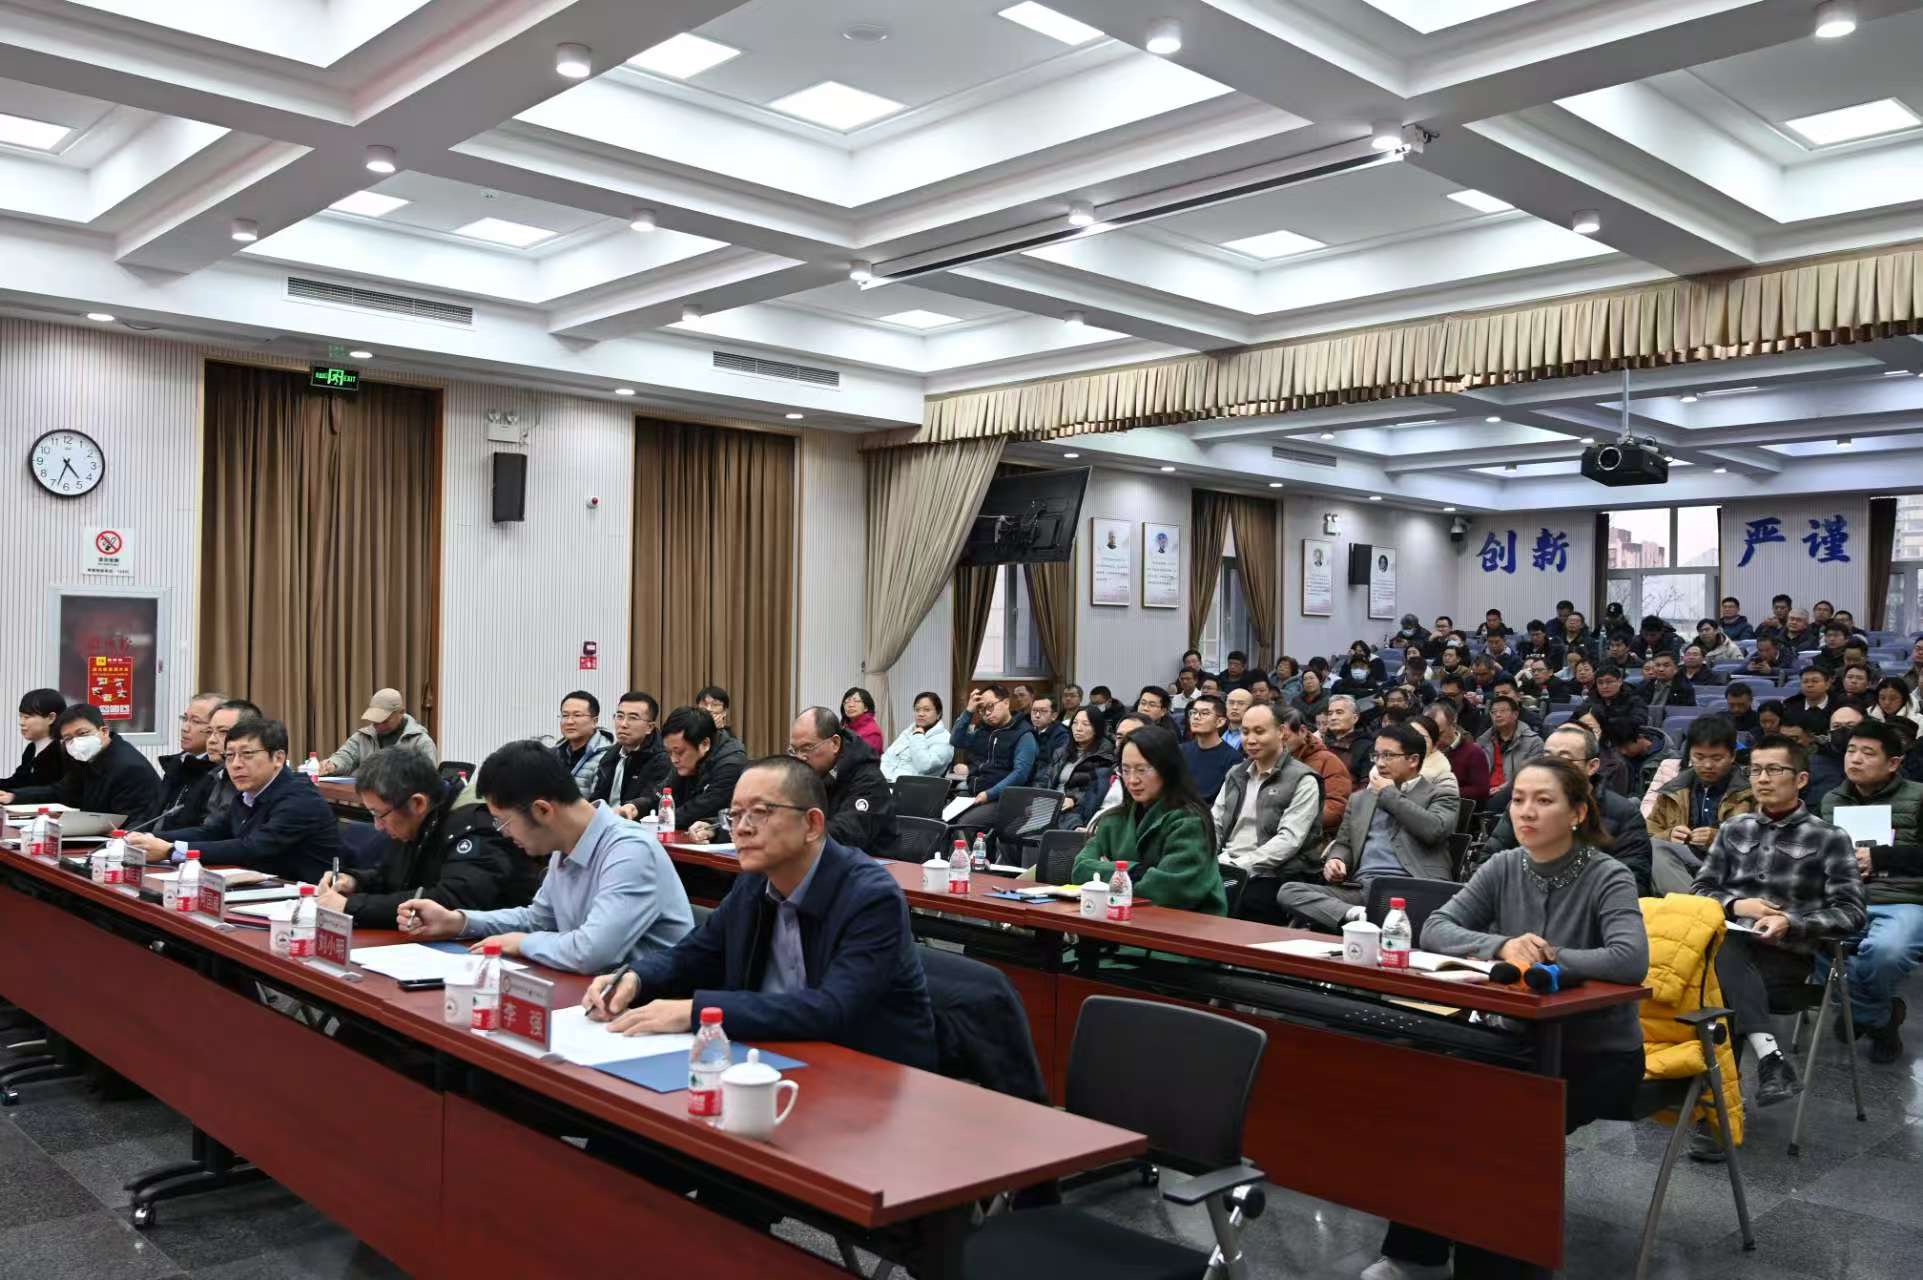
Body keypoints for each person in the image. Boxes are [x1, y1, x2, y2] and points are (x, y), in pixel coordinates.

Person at [1365, 755, 1648, 1280]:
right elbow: (1437, 927)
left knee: (1497, 1131)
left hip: (1597, 1055)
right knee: (1433, 1107)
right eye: (1518, 800)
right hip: (1513, 1041)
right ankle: (1417, 1256)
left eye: (1544, 801)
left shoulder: (1608, 875)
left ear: (1578, 813)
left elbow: (1630, 959)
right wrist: (1501, 946)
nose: (1526, 812)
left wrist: (1550, 958)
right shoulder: (1504, 866)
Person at [586, 757, 936, 1070]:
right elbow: (693, 955)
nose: (742, 828)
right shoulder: (754, 882)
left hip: (865, 1071)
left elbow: (832, 1009)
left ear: (812, 824)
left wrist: (694, 1011)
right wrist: (635, 978)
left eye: (759, 812)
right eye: (735, 815)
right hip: (767, 1051)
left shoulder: (870, 897)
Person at [399, 739, 694, 973]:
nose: (503, 833)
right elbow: (537, 920)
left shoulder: (630, 851)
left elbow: (591, 952)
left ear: (542, 810)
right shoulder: (565, 845)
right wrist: (458, 921)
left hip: (647, 1007)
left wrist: (523, 943)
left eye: (503, 821)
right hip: (590, 994)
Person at [1693, 735, 1864, 1107]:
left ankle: (1715, 1106)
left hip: (1785, 959)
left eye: (1774, 769)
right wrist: (1739, 905)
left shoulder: (1829, 837)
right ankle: (1770, 1059)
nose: (1762, 778)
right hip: (1729, 946)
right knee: (1727, 950)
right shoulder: (1733, 829)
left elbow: (1852, 913)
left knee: (1714, 990)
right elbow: (1700, 891)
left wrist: (1791, 921)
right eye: (1755, 770)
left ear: (1801, 779)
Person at [316, 748, 539, 929]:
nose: (377, 826)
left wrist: (350, 906)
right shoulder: (412, 820)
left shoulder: (473, 825)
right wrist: (355, 881)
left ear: (417, 803)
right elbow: (392, 878)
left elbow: (450, 901)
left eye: (379, 814)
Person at [1276, 722, 1459, 932]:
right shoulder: (1360, 799)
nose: (1380, 763)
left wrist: (1389, 795)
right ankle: (1358, 916)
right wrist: (1337, 860)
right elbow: (1344, 843)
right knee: (1289, 891)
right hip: (1365, 890)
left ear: (1413, 760)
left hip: (1414, 889)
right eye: (1377, 755)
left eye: (1388, 756)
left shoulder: (1440, 795)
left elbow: (1434, 830)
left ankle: (1368, 919)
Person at [1821, 718, 1923, 1063]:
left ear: (1893, 763)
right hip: (1843, 898)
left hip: (1902, 899)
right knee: (1804, 943)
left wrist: (1880, 857)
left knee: (1886, 953)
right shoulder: (1832, 800)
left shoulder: (1919, 797)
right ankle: (1880, 1018)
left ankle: (1855, 1011)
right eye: (1851, 750)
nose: (1855, 759)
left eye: (1867, 753)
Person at [127, 717, 336, 880]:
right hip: (264, 888)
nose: (235, 764)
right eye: (229, 756)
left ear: (278, 758)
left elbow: (253, 848)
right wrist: (149, 839)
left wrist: (171, 851)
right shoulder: (249, 792)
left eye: (246, 754)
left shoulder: (300, 799)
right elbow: (212, 832)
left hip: (305, 899)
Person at [1069, 726, 1225, 914]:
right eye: (1125, 770)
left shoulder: (1190, 822)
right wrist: (1136, 871)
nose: (1132, 780)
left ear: (1167, 769)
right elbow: (1081, 870)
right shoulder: (1114, 819)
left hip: (1183, 923)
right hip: (1119, 916)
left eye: (1142, 770)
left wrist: (1108, 869)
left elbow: (1171, 890)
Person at [1486, 725, 1654, 896]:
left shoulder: (1624, 815)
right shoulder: (1524, 807)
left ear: (1592, 766)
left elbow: (1632, 884)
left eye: (1565, 759)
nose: (1551, 767)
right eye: (1547, 757)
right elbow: (1488, 863)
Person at [1213, 705, 1323, 922]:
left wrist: (1240, 865)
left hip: (1273, 873)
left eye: (1259, 731)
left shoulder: (1303, 779)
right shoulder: (1236, 774)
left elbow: (1289, 840)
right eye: (1245, 732)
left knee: (1247, 904)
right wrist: (1209, 859)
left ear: (1281, 732)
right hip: (1225, 864)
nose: (1250, 740)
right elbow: (1214, 822)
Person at [2, 703, 162, 827]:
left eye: (82, 733)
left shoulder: (129, 767)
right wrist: (14, 796)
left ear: (104, 731)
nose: (76, 742)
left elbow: (136, 823)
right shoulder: (85, 758)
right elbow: (62, 792)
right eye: (68, 738)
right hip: (93, 833)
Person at [1646, 716, 1756, 894]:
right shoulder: (1674, 789)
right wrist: (1669, 835)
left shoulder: (1752, 791)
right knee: (1654, 847)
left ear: (1732, 756)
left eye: (1717, 758)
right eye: (1699, 757)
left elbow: (1763, 842)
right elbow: (1649, 832)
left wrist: (1719, 838)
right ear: (1689, 755)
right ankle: (1700, 904)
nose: (1707, 765)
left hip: (1731, 868)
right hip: (1684, 866)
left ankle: (1697, 904)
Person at [787, 707, 896, 855]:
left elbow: (848, 832)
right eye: (794, 750)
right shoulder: (809, 773)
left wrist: (793, 837)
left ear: (835, 743)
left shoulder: (869, 779)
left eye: (807, 748)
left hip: (873, 862)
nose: (800, 757)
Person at [163, 698, 259, 830]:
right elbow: (211, 830)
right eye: (209, 732)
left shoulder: (259, 781)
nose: (211, 740)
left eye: (223, 732)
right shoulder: (217, 775)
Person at [949, 685, 1037, 829]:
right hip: (974, 793)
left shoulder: (1023, 734)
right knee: (942, 819)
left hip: (1004, 799)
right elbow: (956, 740)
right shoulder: (983, 730)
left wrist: (989, 794)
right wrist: (969, 711)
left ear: (1006, 702)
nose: (987, 713)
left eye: (991, 706)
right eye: (982, 710)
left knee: (964, 824)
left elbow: (1020, 774)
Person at [662, 705, 748, 838]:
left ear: (704, 744)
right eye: (669, 752)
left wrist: (658, 819)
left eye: (679, 752)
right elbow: (663, 792)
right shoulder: (688, 759)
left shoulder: (730, 765)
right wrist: (637, 806)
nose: (673, 759)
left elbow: (700, 809)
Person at [589, 691, 671, 819]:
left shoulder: (662, 759)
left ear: (649, 727)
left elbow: (652, 801)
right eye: (620, 716)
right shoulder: (610, 755)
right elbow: (598, 797)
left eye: (633, 718)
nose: (623, 724)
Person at [321, 688, 438, 777]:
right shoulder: (363, 737)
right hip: (367, 800)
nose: (379, 726)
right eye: (375, 721)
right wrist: (332, 765)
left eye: (385, 721)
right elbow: (346, 755)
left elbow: (428, 780)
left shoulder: (421, 742)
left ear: (401, 712)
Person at [1283, 707, 1352, 836]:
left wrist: (1294, 819)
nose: (1280, 742)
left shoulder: (1327, 761)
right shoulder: (1265, 760)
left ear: (1302, 731)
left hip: (1310, 836)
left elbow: (1335, 808)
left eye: (1285, 737)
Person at [157, 691, 224, 819]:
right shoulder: (177, 763)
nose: (185, 728)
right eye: (185, 719)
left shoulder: (219, 772)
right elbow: (153, 815)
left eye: (196, 721)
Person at [1047, 706, 1117, 829]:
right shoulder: (1062, 752)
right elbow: (1046, 779)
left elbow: (1096, 790)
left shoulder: (1104, 756)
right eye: (1075, 723)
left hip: (1074, 810)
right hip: (1051, 803)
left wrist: (1074, 799)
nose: (1078, 728)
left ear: (1096, 728)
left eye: (1085, 724)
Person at [1, 688, 66, 795]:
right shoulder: (31, 749)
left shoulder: (62, 750)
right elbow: (17, 782)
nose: (21, 723)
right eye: (21, 717)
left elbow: (56, 791)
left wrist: (14, 796)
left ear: (51, 718)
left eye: (27, 717)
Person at [1427, 700, 1491, 806]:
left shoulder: (1473, 752)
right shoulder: (1424, 750)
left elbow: (1481, 790)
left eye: (1440, 733)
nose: (1434, 738)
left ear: (1453, 726)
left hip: (1458, 808)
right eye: (1430, 734)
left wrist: (1443, 792)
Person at [881, 691, 954, 781]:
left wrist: (918, 735)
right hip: (889, 783)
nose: (920, 714)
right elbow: (887, 757)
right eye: (917, 710)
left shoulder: (945, 739)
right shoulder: (909, 731)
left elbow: (924, 766)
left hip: (914, 786)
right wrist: (882, 779)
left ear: (938, 714)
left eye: (927, 710)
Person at [1477, 694, 1543, 792]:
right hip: (1484, 790)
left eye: (1503, 711)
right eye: (1494, 712)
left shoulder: (1533, 742)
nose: (1498, 715)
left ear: (1515, 714)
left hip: (1514, 790)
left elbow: (1530, 775)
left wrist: (1501, 789)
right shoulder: (1483, 741)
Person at [1179, 693, 1237, 802]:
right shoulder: (1180, 750)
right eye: (1193, 712)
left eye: (1204, 713)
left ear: (1220, 722)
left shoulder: (1232, 758)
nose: (1196, 717)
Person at [553, 690, 615, 793]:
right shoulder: (554, 753)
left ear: (594, 721)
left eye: (577, 715)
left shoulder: (607, 757)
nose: (569, 721)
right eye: (565, 715)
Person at [1802, 704, 1859, 805]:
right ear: (1829, 734)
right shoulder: (1809, 765)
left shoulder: (1877, 763)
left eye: (1850, 726)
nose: (1843, 730)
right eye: (1836, 726)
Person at [1320, 695, 1371, 785]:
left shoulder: (1366, 746)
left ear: (1355, 718)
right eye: (1330, 713)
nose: (1333, 717)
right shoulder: (1322, 744)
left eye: (1339, 712)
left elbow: (1366, 784)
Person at [1782, 666, 1839, 737]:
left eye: (1815, 681)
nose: (1809, 685)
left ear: (1827, 684)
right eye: (1805, 682)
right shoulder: (1790, 707)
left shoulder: (1840, 707)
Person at [1642, 651, 1698, 721]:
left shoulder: (1685, 689)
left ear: (1676, 669)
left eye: (1666, 666)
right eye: (1657, 665)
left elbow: (1684, 716)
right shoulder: (1645, 686)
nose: (1661, 669)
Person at [839, 686, 884, 752]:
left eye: (856, 701)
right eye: (847, 701)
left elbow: (864, 757)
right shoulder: (844, 727)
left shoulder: (872, 732)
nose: (850, 705)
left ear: (865, 707)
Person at [1027, 692, 1068, 763]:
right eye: (1034, 710)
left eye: (1043, 711)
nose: (1037, 715)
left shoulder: (1062, 736)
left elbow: (1055, 765)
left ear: (1054, 716)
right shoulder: (1028, 731)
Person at [1222, 687, 1251, 752]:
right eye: (1231, 703)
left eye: (1241, 704)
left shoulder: (1254, 736)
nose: (1235, 707)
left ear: (1250, 708)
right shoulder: (1216, 731)